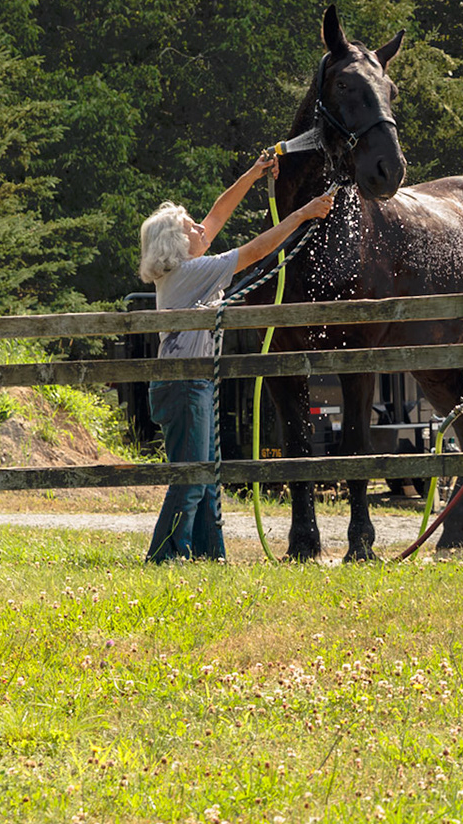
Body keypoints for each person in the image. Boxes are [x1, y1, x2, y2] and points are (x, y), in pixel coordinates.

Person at [137, 154, 335, 562]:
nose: (200, 227)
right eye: (190, 226)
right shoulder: (193, 273)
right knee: (193, 479)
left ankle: (208, 555)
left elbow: (217, 213)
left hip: (190, 385)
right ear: (177, 242)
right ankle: (165, 555)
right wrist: (302, 214)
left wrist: (253, 174)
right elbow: (255, 251)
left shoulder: (183, 271)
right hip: (185, 385)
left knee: (205, 478)